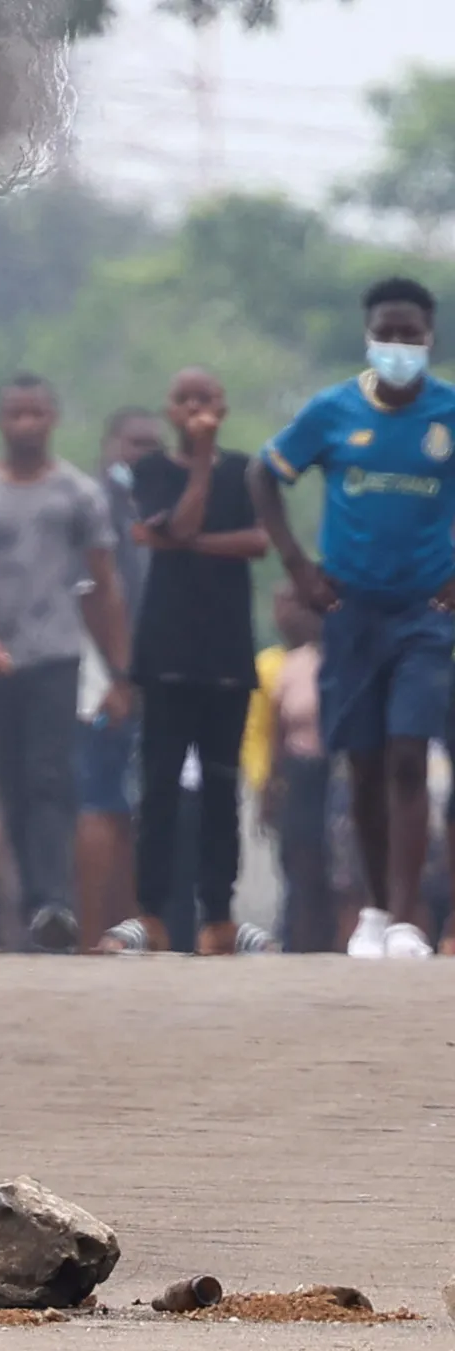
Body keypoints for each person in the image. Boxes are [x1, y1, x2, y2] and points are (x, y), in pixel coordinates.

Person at [248, 277, 455, 959]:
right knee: (363, 762)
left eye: (410, 334)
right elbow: (264, 474)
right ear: (369, 337)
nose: (398, 345)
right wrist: (297, 565)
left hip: (425, 615)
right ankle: (373, 910)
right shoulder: (333, 411)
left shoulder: (448, 413)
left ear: (429, 338)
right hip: (351, 612)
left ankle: (406, 919)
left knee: (408, 754)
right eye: (386, 333)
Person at [0, 374, 133, 952]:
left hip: (57, 651)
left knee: (52, 774)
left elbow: (104, 585)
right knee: (13, 780)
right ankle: (34, 904)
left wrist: (119, 671)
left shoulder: (78, 494)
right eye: (16, 414)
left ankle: (55, 900)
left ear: (53, 418)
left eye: (37, 413)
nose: (26, 424)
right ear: (0, 420)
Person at [102, 368, 270, 954]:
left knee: (222, 788)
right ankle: (151, 913)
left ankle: (218, 916)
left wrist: (184, 544)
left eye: (207, 399)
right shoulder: (151, 471)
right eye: (185, 400)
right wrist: (199, 466)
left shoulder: (245, 471)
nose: (196, 409)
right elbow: (179, 519)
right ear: (170, 411)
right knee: (159, 786)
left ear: (223, 407)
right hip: (166, 649)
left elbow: (259, 541)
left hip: (226, 650)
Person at [76, 407, 164, 950]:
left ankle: (129, 929)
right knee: (100, 802)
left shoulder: (153, 510)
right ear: (110, 445)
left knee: (134, 808)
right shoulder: (95, 504)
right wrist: (117, 675)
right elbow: (91, 597)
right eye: (135, 443)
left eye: (153, 445)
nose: (144, 455)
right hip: (102, 678)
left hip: (146, 676)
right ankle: (92, 934)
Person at [260, 583, 332, 953]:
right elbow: (278, 732)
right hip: (300, 774)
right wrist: (271, 786)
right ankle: (298, 946)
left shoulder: (346, 659)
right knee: (299, 864)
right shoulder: (294, 665)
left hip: (338, 775)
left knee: (336, 871)